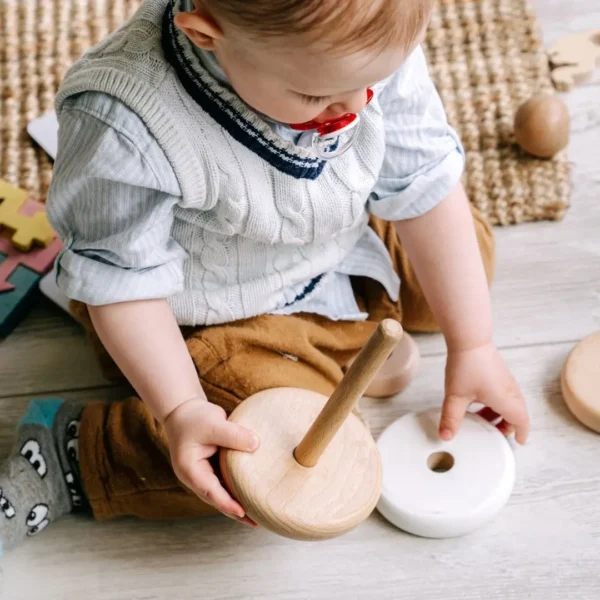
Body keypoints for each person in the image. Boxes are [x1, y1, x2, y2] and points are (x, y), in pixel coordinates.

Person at [0, 0, 529, 554]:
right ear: (207, 35)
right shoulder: (123, 119)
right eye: (316, 96)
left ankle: (349, 330)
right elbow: (123, 283)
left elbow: (422, 178)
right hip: (210, 311)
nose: (354, 108)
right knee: (257, 453)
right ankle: (75, 453)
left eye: (374, 81)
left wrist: (474, 343)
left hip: (335, 239)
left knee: (466, 254)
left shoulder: (361, 46)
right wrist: (180, 409)